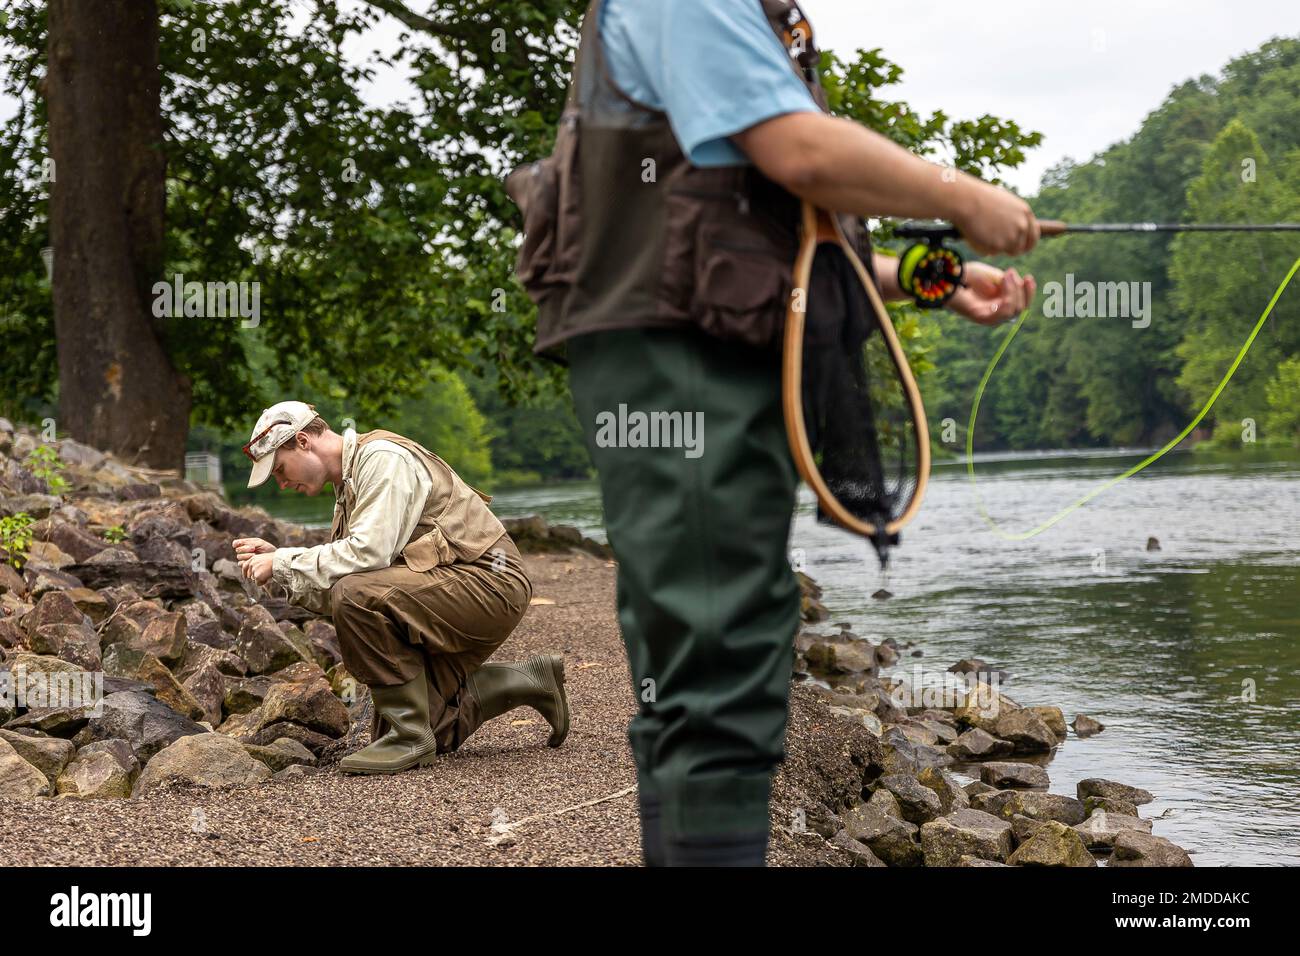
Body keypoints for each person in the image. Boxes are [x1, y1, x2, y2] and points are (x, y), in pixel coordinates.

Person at [507, 0, 1038, 865]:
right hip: (677, 369)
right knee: (716, 668)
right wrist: (964, 196)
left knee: (716, 658)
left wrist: (934, 278)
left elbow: (766, 250)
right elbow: (801, 151)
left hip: (687, 360)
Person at [233, 400, 569, 774]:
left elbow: (368, 557)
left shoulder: (382, 460)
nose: (281, 482)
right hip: (451, 586)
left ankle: (410, 737)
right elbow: (350, 582)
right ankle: (533, 680)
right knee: (436, 727)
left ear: (302, 441)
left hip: (490, 582)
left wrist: (284, 560)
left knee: (356, 597)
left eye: (279, 468)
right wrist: (280, 568)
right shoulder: (347, 488)